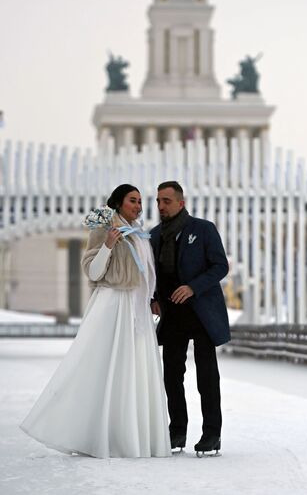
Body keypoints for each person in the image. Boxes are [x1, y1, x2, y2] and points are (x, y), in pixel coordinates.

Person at [20, 184, 171, 459]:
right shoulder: (105, 229)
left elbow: (147, 273)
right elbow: (93, 270)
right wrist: (108, 246)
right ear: (118, 203)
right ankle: (101, 435)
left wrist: (151, 298)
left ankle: (135, 437)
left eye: (140, 201)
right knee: (110, 369)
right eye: (132, 200)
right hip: (115, 306)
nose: (138, 206)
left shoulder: (140, 234)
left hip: (138, 310)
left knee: (136, 370)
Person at [150, 181, 230, 455]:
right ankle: (177, 431)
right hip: (172, 315)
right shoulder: (154, 236)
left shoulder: (203, 229)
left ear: (181, 203)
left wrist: (193, 286)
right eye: (158, 200)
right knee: (171, 375)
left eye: (167, 201)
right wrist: (154, 299)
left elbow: (220, 265)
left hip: (202, 312)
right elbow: (153, 277)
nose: (161, 206)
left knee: (207, 376)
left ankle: (211, 435)